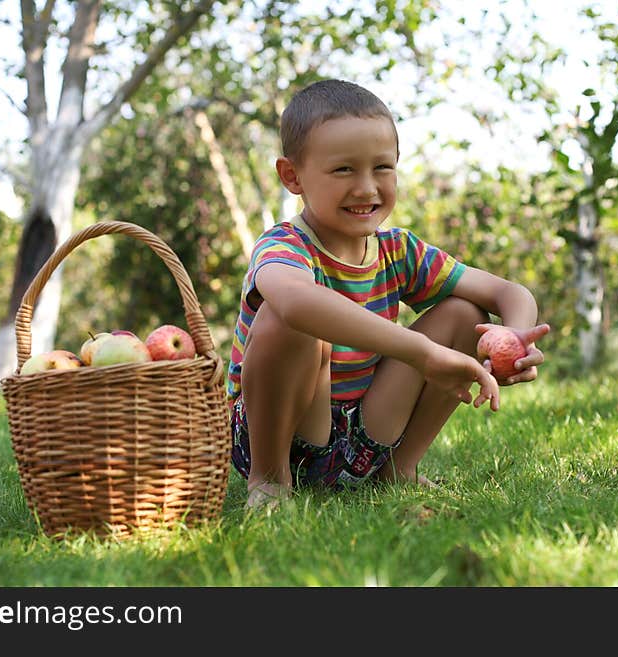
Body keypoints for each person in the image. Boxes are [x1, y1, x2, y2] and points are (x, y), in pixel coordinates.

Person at [226, 79, 550, 509]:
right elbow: (297, 303)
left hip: (365, 435)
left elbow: (508, 292)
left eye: (382, 167)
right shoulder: (284, 246)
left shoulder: (398, 250)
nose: (366, 187)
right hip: (285, 433)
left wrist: (514, 338)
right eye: (343, 169)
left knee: (463, 312)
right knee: (289, 320)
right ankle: (270, 484)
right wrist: (421, 351)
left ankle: (398, 471)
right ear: (293, 176)